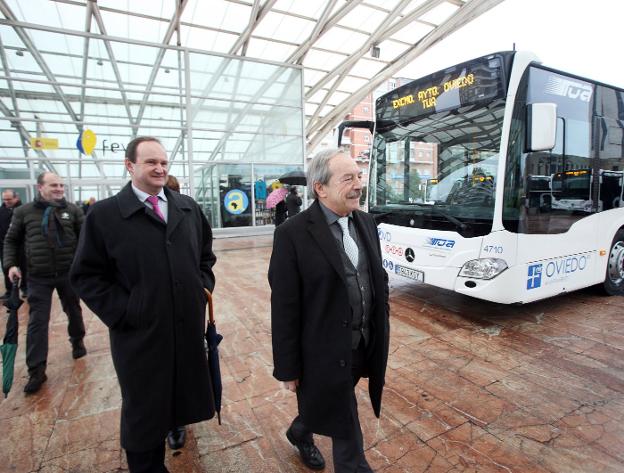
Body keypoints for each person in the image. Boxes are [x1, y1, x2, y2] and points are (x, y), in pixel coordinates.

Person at [70, 136, 217, 473]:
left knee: (181, 398)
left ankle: (175, 434)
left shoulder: (186, 207)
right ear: (130, 165)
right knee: (143, 415)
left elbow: (205, 257)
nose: (160, 168)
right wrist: (126, 311)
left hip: (183, 329)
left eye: (164, 162)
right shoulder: (105, 216)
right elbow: (86, 276)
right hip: (139, 337)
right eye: (151, 162)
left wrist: (200, 288)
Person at [268, 149, 390, 472]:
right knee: (348, 438)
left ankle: (300, 431)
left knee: (330, 399)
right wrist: (287, 367)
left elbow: (378, 276)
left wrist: (381, 321)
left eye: (358, 176)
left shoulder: (366, 222)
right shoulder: (291, 235)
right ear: (320, 188)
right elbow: (283, 306)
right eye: (347, 178)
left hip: (363, 346)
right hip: (323, 352)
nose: (358, 185)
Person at [3, 173, 87, 394]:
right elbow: (11, 240)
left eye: (61, 185)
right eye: (54, 185)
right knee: (37, 322)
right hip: (38, 276)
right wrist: (11, 264)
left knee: (74, 310)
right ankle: (36, 370)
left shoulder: (73, 210)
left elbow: (86, 239)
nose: (59, 188)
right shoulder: (24, 212)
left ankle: (77, 340)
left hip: (68, 273)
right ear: (41, 187)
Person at [0, 189, 26, 298]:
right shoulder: (1, 211)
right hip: (4, 245)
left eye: (9, 199)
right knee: (7, 268)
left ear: (16, 198)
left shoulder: (23, 210)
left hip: (22, 245)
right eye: (4, 199)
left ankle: (26, 288)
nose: (6, 201)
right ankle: (9, 291)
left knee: (25, 268)